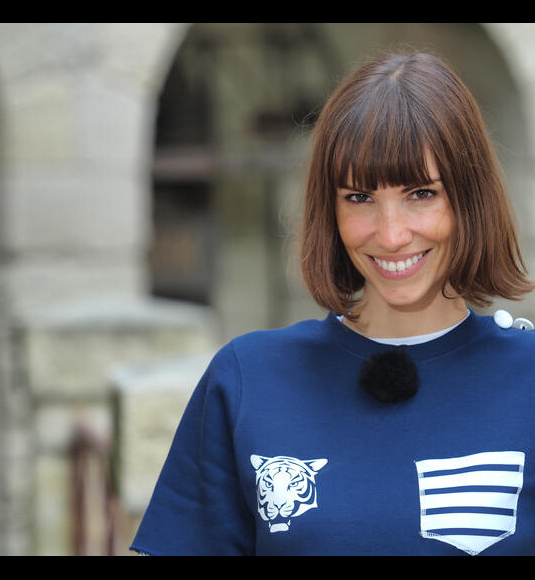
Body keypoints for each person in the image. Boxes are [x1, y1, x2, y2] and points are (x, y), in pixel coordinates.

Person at [130, 50, 535, 556]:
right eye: (359, 197)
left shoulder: (529, 378)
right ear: (331, 209)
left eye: (421, 193)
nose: (391, 235)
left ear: (469, 201)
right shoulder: (247, 378)